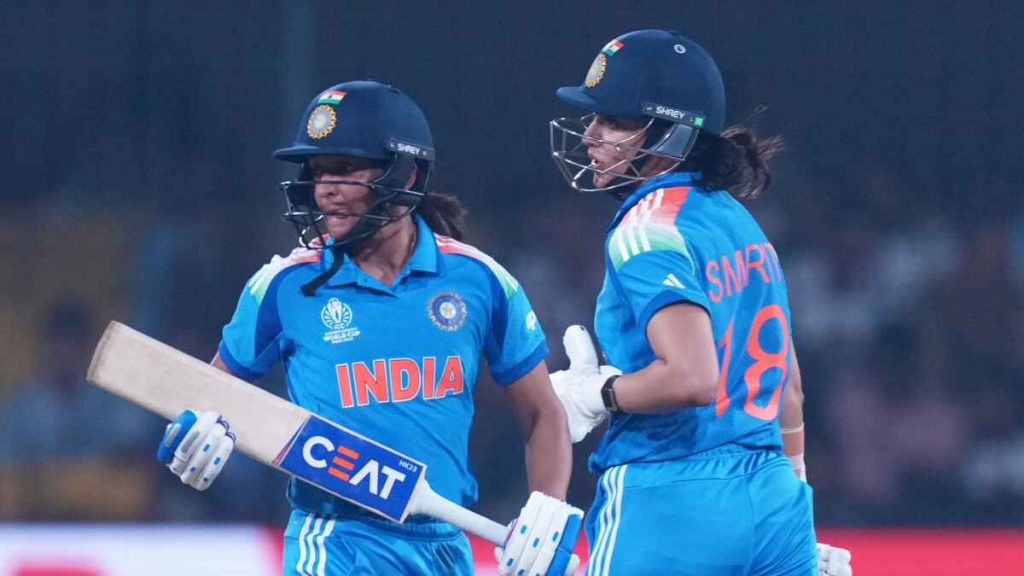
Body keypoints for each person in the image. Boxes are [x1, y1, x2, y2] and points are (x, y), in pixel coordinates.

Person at [154, 80, 582, 576]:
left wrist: (545, 514)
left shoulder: (480, 281)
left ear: (408, 173)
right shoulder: (285, 285)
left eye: (345, 169)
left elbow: (542, 416)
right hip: (335, 541)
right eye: (317, 172)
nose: (324, 189)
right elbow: (212, 395)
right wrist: (199, 432)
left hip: (445, 545)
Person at [547, 30, 851, 575]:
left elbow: (691, 379)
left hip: (671, 493)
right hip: (775, 498)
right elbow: (790, 385)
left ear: (668, 133)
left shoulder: (645, 229)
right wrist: (797, 513)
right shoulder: (740, 221)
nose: (590, 134)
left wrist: (598, 393)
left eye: (614, 120)